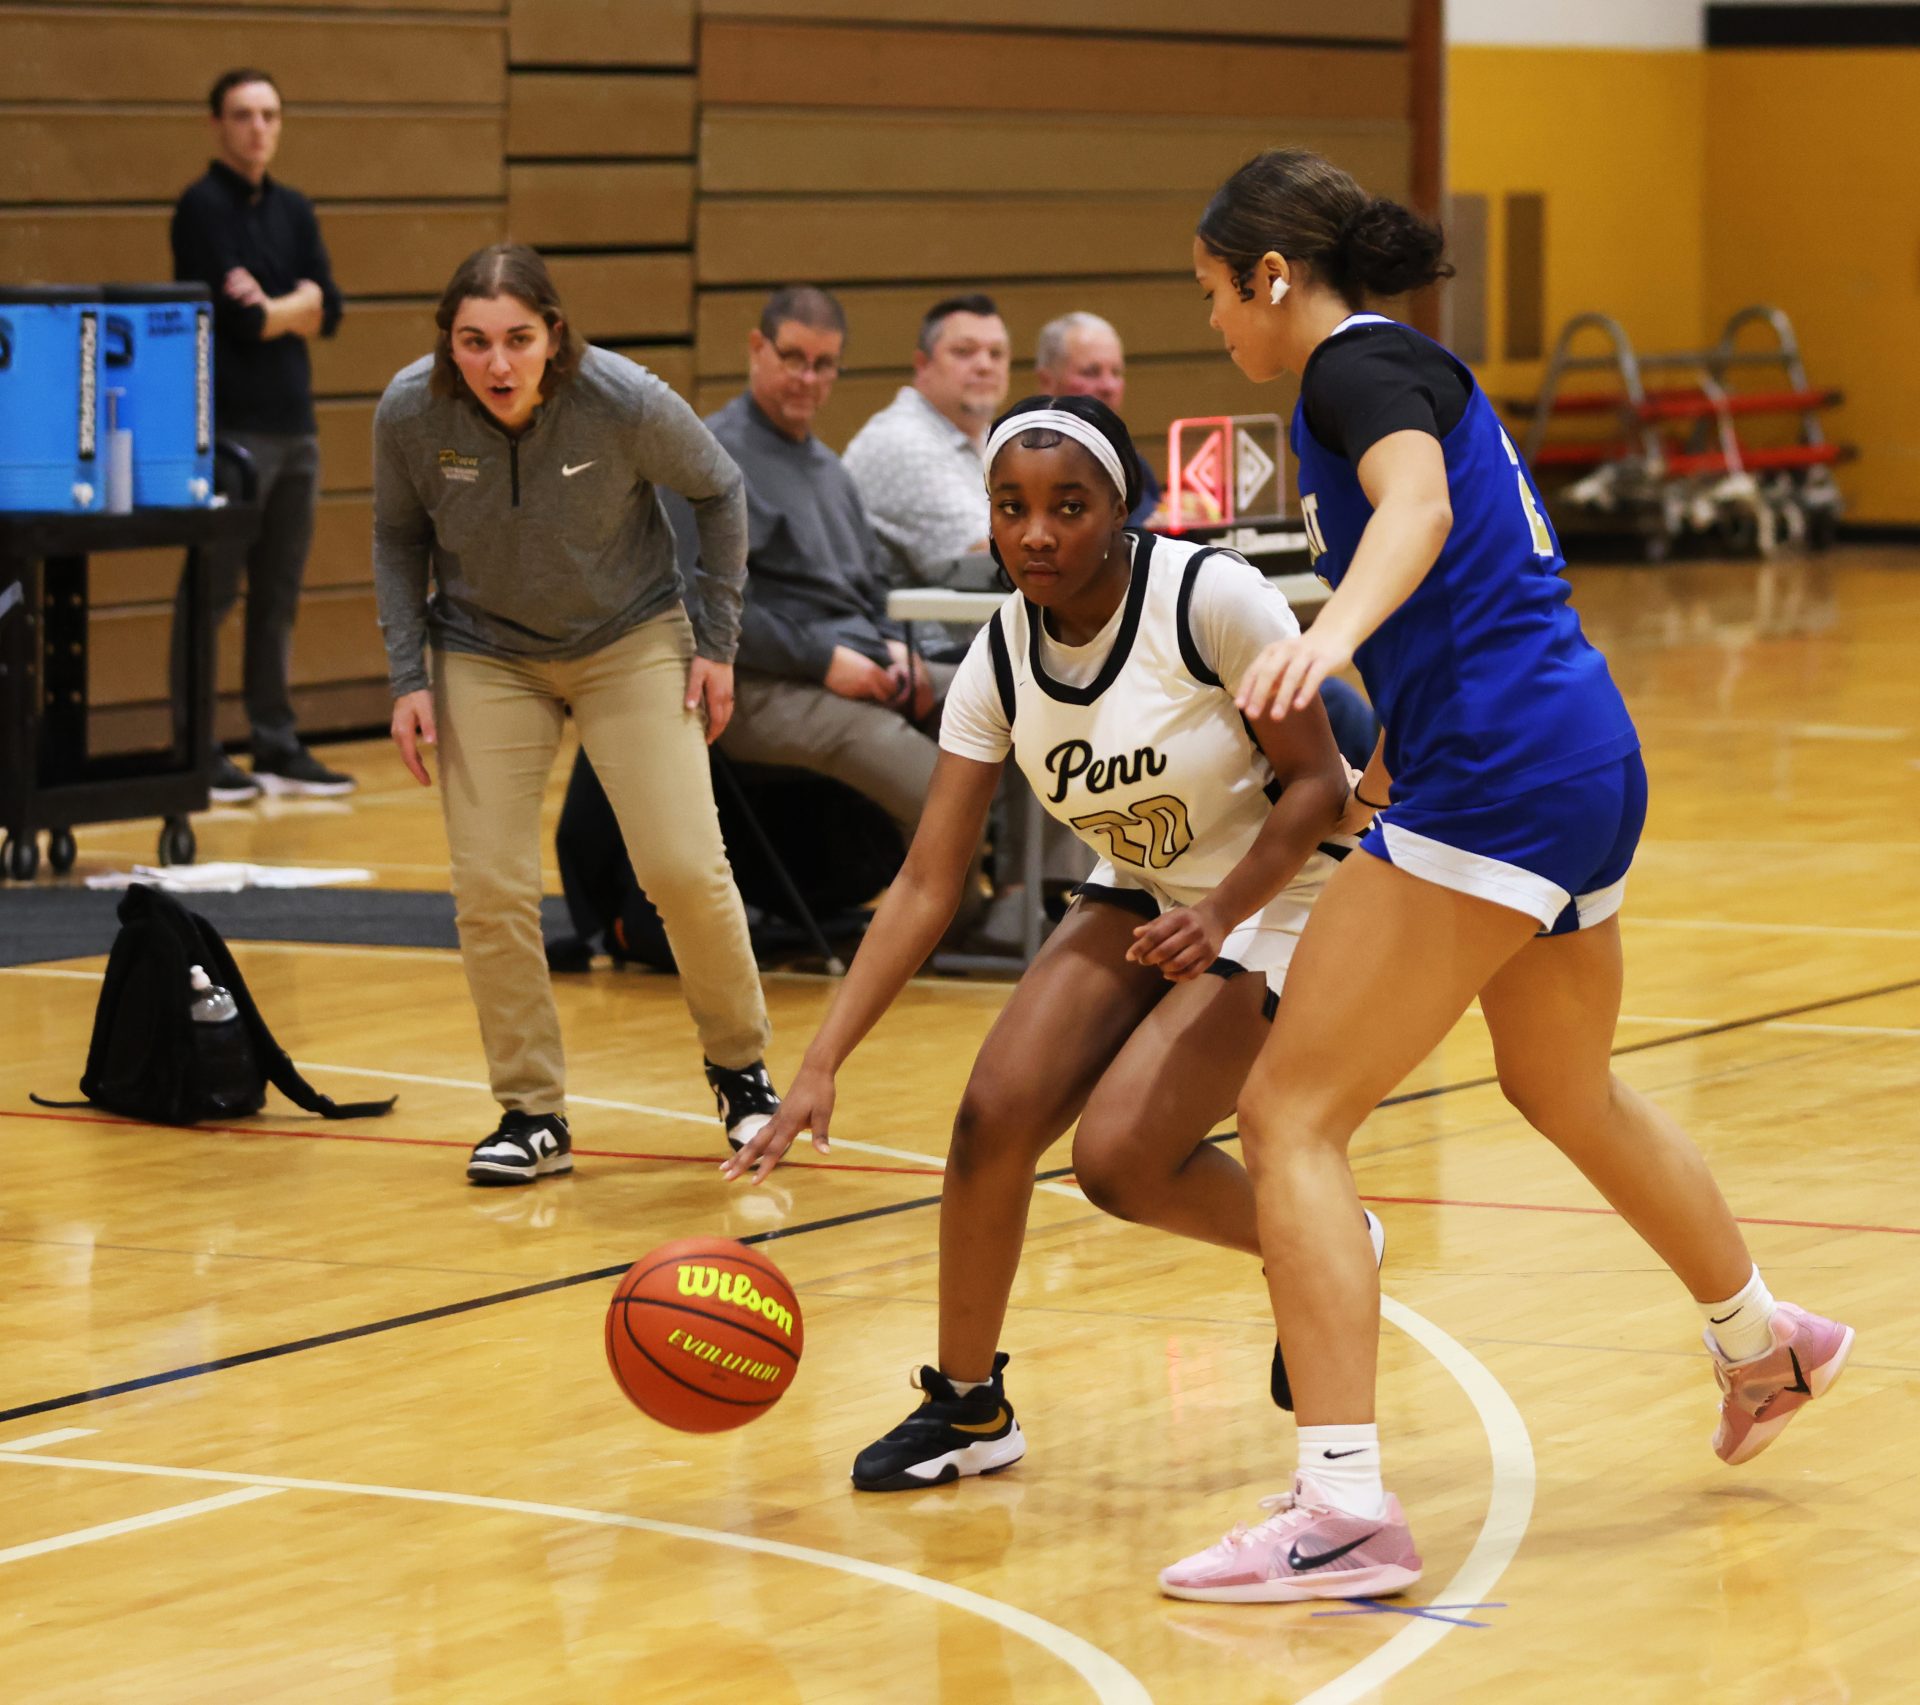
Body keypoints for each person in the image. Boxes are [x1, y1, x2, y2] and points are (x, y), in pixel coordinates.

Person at [1159, 148, 1853, 1603]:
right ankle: (1761, 1340)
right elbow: (1468, 580)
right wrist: (1380, 766)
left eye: (1214, 289)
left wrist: (1329, 639)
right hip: (1575, 755)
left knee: (1288, 1116)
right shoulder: (1392, 368)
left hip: (1504, 774)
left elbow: (1417, 517)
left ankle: (1342, 1508)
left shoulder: (1352, 371)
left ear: (1273, 276)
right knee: (1562, 1084)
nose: (1212, 318)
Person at [724, 394, 1372, 1492]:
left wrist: (1221, 914)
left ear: (1121, 510)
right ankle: (968, 1407)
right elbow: (928, 881)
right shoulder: (999, 660)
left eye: (1068, 507)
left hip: (1294, 888)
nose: (1036, 533)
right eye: (1011, 507)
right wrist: (821, 1061)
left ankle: (1325, 1237)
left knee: (1120, 1160)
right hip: (1154, 882)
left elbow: (1319, 783)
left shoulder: (1209, 600)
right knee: (993, 1115)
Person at [371, 243, 781, 1184]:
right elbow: (396, 537)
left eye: (518, 338)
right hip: (483, 648)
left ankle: (741, 1070)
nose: (498, 363)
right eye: (474, 342)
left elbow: (720, 489)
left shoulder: (622, 398)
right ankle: (531, 1111)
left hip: (629, 636)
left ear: (553, 335)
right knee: (490, 886)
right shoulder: (410, 411)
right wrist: (406, 676)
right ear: (449, 343)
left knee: (683, 867)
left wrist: (717, 641)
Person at [670, 285, 976, 924]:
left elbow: (873, 588)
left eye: (824, 364)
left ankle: (1037, 905)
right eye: (793, 358)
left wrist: (897, 649)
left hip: (860, 668)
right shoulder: (708, 457)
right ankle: (960, 921)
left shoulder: (833, 473)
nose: (807, 379)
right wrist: (824, 660)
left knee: (1017, 705)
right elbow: (700, 607)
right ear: (757, 349)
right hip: (757, 686)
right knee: (942, 785)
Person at [1034, 309, 1381, 770]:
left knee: (1331, 697)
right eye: (1091, 371)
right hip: (1120, 652)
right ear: (1048, 378)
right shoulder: (1039, 465)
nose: (1108, 385)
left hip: (1182, 629)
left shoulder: (1128, 460)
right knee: (1322, 697)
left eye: (1116, 372)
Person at [170, 68, 354, 801]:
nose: (258, 128)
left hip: (295, 425)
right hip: (227, 431)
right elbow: (241, 319)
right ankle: (194, 749)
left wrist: (280, 304)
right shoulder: (200, 207)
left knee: (278, 593)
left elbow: (330, 307)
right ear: (217, 123)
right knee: (211, 593)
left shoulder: (295, 209)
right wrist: (290, 305)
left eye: (270, 114)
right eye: (244, 114)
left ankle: (274, 742)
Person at [843, 292, 1010, 607]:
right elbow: (996, 556)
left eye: (996, 353)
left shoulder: (991, 438)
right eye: (964, 352)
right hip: (915, 638)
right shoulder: (901, 442)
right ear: (923, 364)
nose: (985, 365)